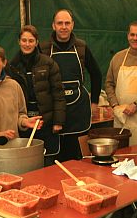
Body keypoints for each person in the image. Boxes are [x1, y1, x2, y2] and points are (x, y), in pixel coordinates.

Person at [40, 9, 102, 161]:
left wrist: (94, 102)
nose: (63, 27)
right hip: (53, 110)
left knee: (76, 157)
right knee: (54, 157)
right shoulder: (43, 48)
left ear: (72, 25)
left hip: (77, 111)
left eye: (67, 23)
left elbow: (96, 74)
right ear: (53, 26)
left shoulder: (81, 47)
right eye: (60, 23)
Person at [9, 25, 66, 165]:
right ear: (19, 41)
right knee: (26, 161)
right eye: (24, 40)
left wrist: (58, 122)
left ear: (36, 42)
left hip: (46, 121)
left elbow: (58, 93)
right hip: (24, 122)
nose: (27, 44)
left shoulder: (49, 63)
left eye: (31, 40)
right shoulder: (12, 66)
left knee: (48, 160)